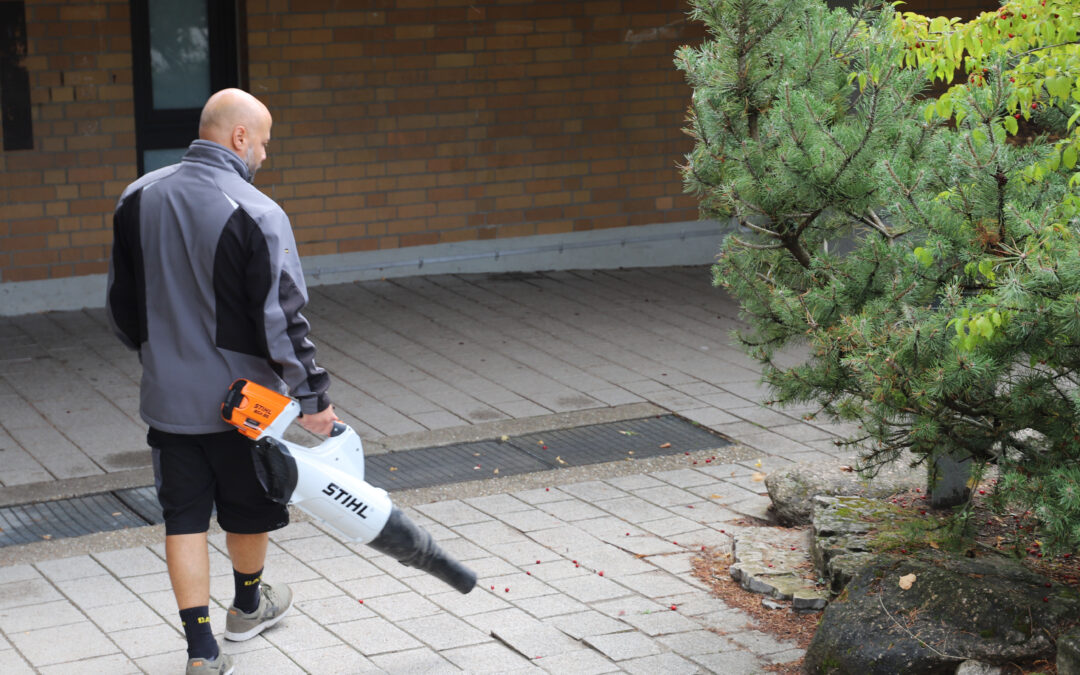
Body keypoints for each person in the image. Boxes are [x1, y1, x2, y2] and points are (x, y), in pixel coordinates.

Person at [106, 88, 338, 675]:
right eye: (262, 141)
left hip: (168, 397)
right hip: (245, 405)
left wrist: (159, 354)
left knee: (182, 518)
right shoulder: (258, 211)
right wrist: (313, 397)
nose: (264, 153)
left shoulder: (137, 197)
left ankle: (201, 651)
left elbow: (120, 305)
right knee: (248, 509)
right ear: (239, 137)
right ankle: (246, 607)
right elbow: (283, 318)